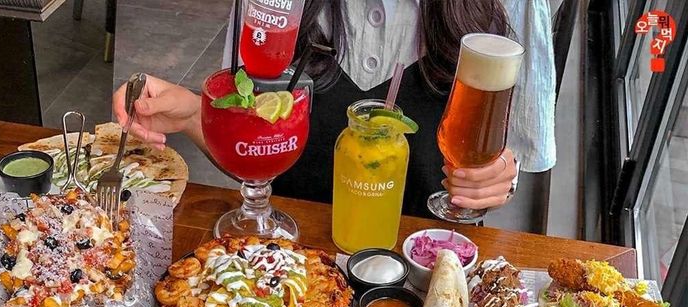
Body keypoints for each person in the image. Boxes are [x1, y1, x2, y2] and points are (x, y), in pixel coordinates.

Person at [113, 0, 555, 219]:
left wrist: (497, 175)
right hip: (284, 266)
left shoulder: (513, 6)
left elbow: (510, 156)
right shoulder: (273, 5)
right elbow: (255, 144)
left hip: (429, 265)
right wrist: (194, 113)